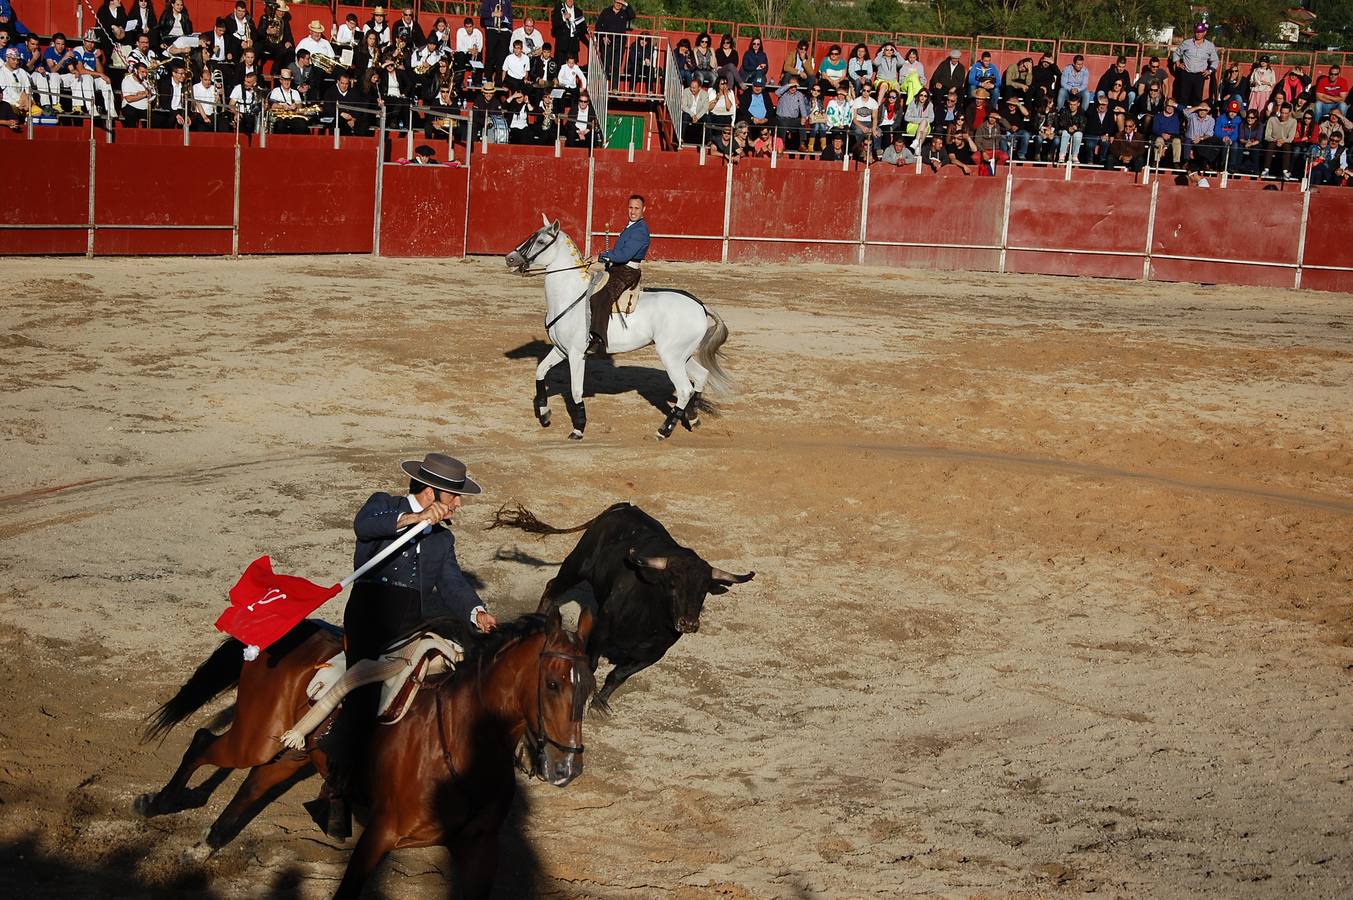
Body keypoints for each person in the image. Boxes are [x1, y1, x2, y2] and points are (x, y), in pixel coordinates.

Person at [587, 195, 649, 356]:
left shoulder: (640, 231)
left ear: (644, 209)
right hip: (618, 268)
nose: (633, 211)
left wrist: (601, 257)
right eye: (630, 207)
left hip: (627, 272)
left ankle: (597, 339)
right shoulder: (632, 226)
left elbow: (624, 255)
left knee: (601, 297)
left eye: (636, 208)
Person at [1171, 23, 1218, 108]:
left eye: (1200, 32)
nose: (1198, 34)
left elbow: (1215, 60)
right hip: (1186, 74)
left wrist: (1210, 70)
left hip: (1200, 75)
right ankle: (1182, 115)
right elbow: (1176, 53)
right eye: (1196, 32)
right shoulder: (1187, 43)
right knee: (1183, 98)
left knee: (1197, 98)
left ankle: (1195, 116)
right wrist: (1177, 63)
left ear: (1205, 32)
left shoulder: (1210, 46)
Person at [551, 0, 586, 71]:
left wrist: (589, 41)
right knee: (560, 69)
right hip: (562, 46)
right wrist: (564, 18)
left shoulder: (579, 11)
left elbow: (582, 29)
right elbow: (554, 25)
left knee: (572, 70)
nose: (570, 0)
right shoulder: (559, 9)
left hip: (573, 45)